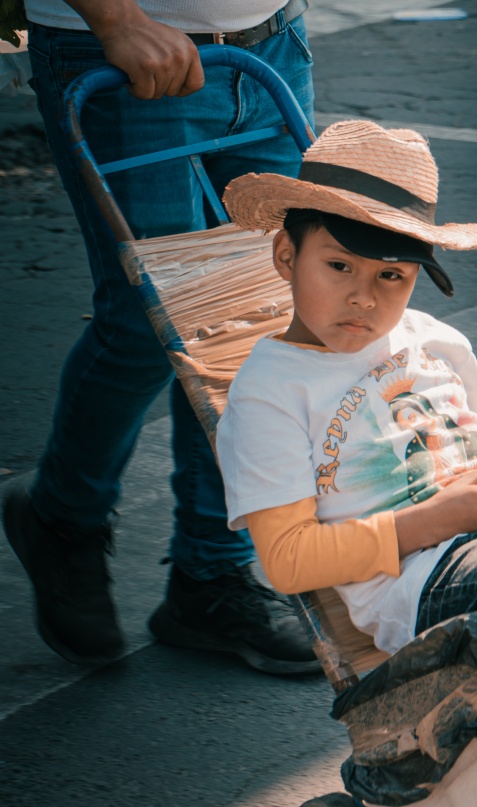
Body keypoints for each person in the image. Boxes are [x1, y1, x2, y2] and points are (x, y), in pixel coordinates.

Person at [215, 119, 477, 709]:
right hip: (427, 573)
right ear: (285, 255)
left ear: (417, 278)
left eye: (391, 275)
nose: (364, 297)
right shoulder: (270, 392)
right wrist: (429, 523)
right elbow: (288, 560)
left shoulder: (433, 338)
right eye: (339, 266)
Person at [2, 0, 321, 675]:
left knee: (255, 319)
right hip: (130, 53)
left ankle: (210, 577)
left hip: (270, 44)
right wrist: (115, 19)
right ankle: (62, 514)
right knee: (152, 322)